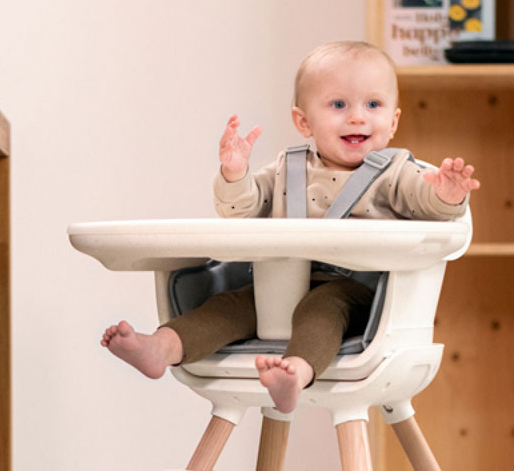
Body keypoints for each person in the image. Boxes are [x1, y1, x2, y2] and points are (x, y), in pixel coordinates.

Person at [102, 40, 479, 413]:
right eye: (338, 105)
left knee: (321, 309)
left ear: (393, 121)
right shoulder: (288, 168)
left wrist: (446, 195)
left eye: (373, 105)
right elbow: (241, 209)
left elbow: (428, 205)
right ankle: (160, 348)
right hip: (280, 287)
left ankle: (294, 374)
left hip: (356, 293)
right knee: (229, 305)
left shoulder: (398, 173)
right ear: (303, 121)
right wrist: (235, 173)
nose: (357, 117)